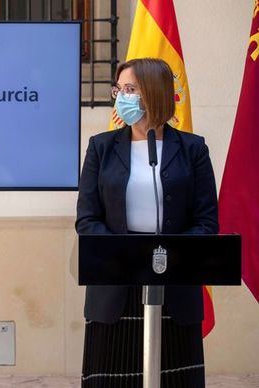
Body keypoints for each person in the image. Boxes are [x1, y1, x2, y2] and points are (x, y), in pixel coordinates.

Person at [76, 58, 217, 387]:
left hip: (176, 284)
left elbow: (206, 221)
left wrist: (171, 255)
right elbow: (87, 219)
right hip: (115, 286)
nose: (120, 97)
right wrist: (127, 254)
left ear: (154, 92)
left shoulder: (192, 149)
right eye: (119, 89)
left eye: (130, 89)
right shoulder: (102, 147)